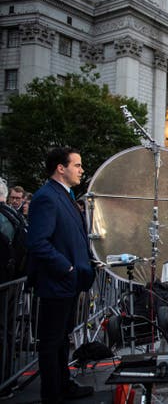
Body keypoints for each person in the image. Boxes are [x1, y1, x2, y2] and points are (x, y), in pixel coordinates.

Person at [26, 147, 96, 403]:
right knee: (51, 341)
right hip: (57, 283)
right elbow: (38, 242)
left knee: (61, 340)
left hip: (69, 283)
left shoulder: (65, 196)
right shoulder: (46, 197)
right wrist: (66, 267)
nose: (81, 170)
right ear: (61, 168)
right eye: (77, 165)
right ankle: (52, 393)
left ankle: (63, 384)